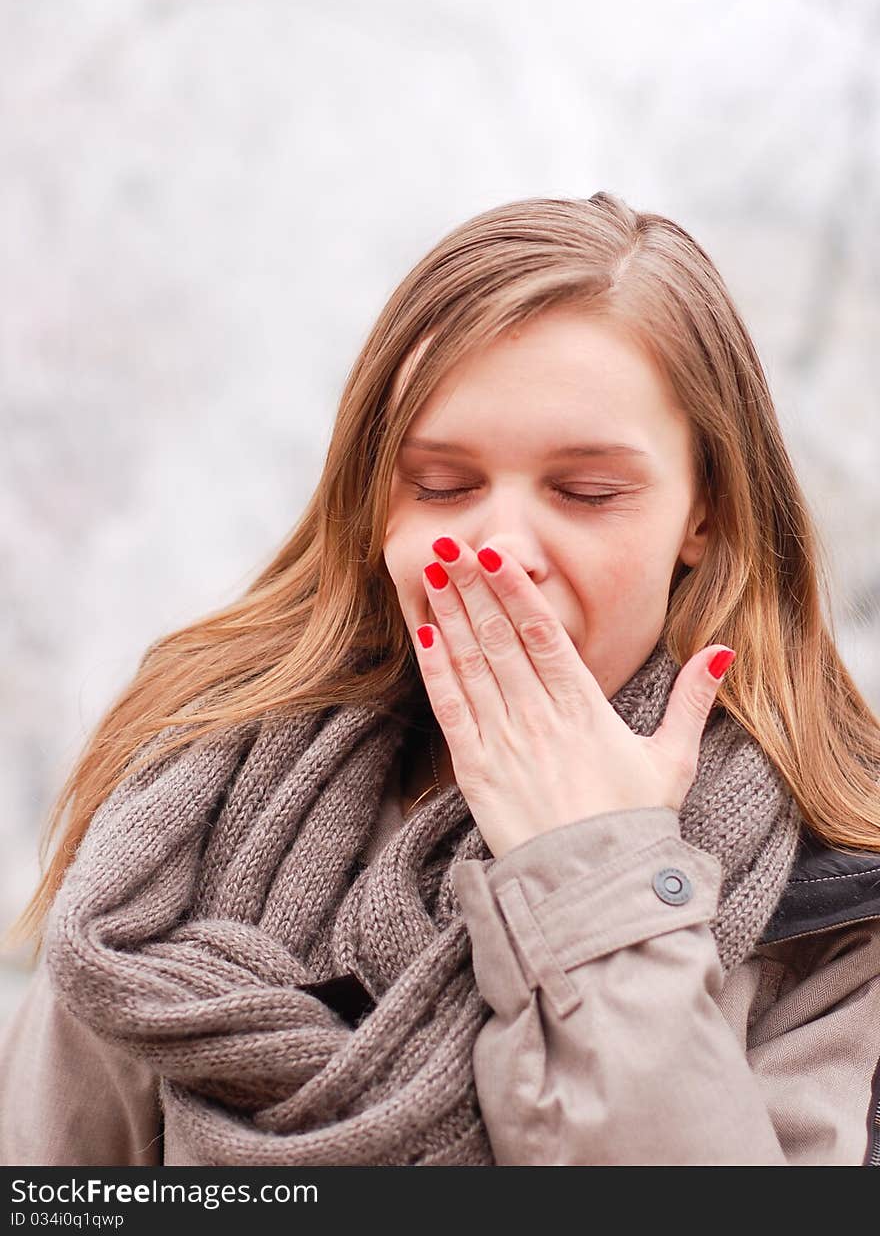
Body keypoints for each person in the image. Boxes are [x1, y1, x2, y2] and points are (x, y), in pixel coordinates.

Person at [1, 192, 879, 1166]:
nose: (498, 549)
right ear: (375, 503)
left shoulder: (835, 893)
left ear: (703, 515)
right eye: (443, 486)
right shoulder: (187, 807)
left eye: (585, 493)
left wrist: (601, 874)